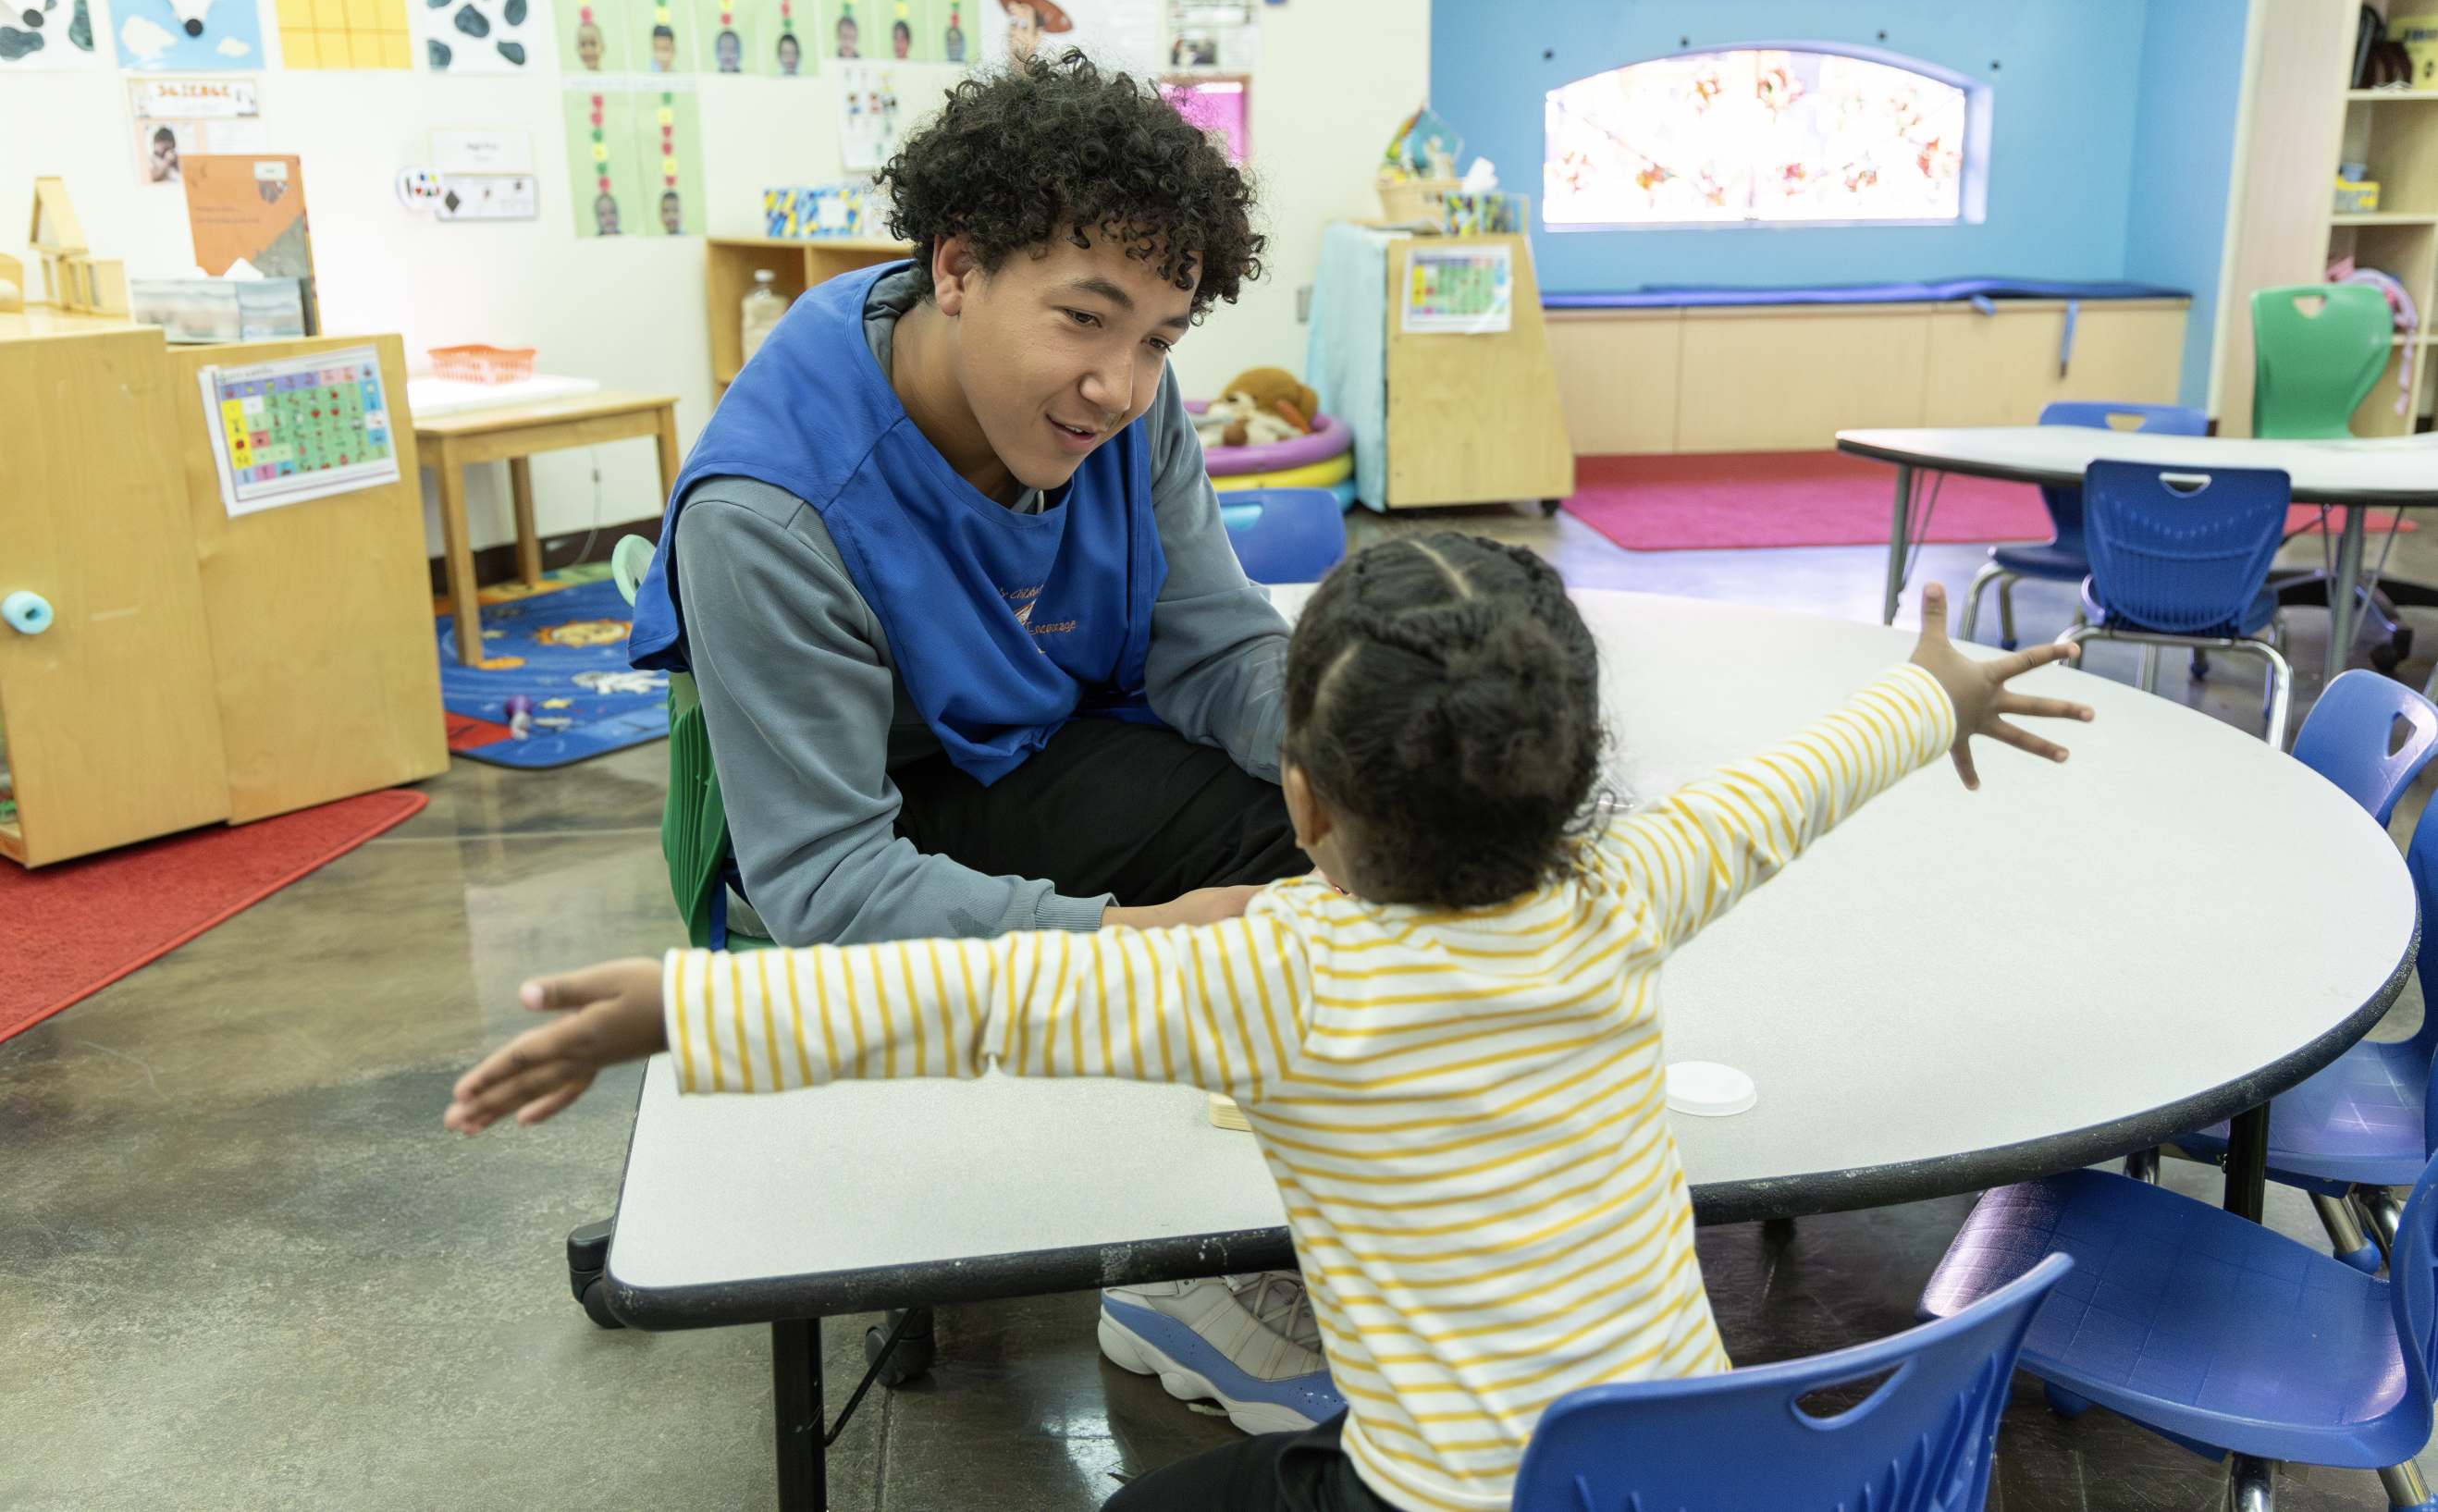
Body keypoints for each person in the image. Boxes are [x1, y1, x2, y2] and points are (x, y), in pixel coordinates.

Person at [446, 559, 2091, 1511]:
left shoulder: (1278, 971)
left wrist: (685, 1003)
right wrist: (1929, 694)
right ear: (1582, 777)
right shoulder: (1625, 891)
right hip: (1689, 1475)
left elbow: (976, 999)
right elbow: (1779, 794)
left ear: (1296, 802)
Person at [609, 50, 1337, 1429]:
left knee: (1331, 832)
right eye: (1085, 321)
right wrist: (1126, 947)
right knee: (1253, 898)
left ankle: (1256, 1214)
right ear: (956, 268)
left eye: (1161, 338)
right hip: (877, 823)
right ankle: (1180, 1270)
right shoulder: (773, 510)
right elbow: (825, 884)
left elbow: (1214, 646)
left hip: (1036, 745)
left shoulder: (1126, 401)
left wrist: (1375, 759)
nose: (1120, 386)